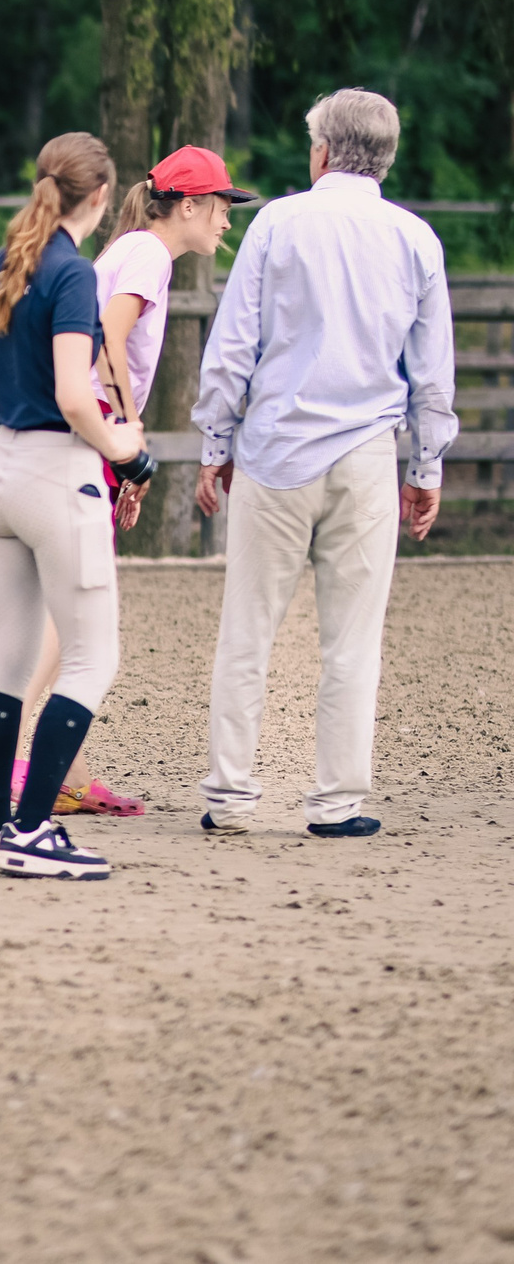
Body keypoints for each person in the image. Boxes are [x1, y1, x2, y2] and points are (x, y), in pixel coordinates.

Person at [192, 88, 456, 840]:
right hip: (368, 454)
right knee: (353, 640)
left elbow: (233, 344)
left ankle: (232, 795)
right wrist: (426, 467)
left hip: (277, 448)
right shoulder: (416, 240)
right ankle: (337, 802)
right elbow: (431, 372)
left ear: (320, 151)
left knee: (248, 630)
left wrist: (217, 443)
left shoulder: (277, 222)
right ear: (388, 155)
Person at [6, 144, 255, 821]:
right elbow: (109, 342)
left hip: (77, 438)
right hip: (89, 439)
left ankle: (70, 777)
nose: (227, 221)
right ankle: (9, 736)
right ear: (192, 205)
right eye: (223, 207)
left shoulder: (134, 252)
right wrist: (127, 444)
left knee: (75, 605)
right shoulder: (147, 254)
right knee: (84, 618)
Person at [0, 132, 149, 880]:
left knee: (11, 652)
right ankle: (32, 830)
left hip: (0, 465)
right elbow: (76, 395)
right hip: (56, 468)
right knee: (93, 656)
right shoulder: (71, 275)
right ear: (100, 197)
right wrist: (125, 449)